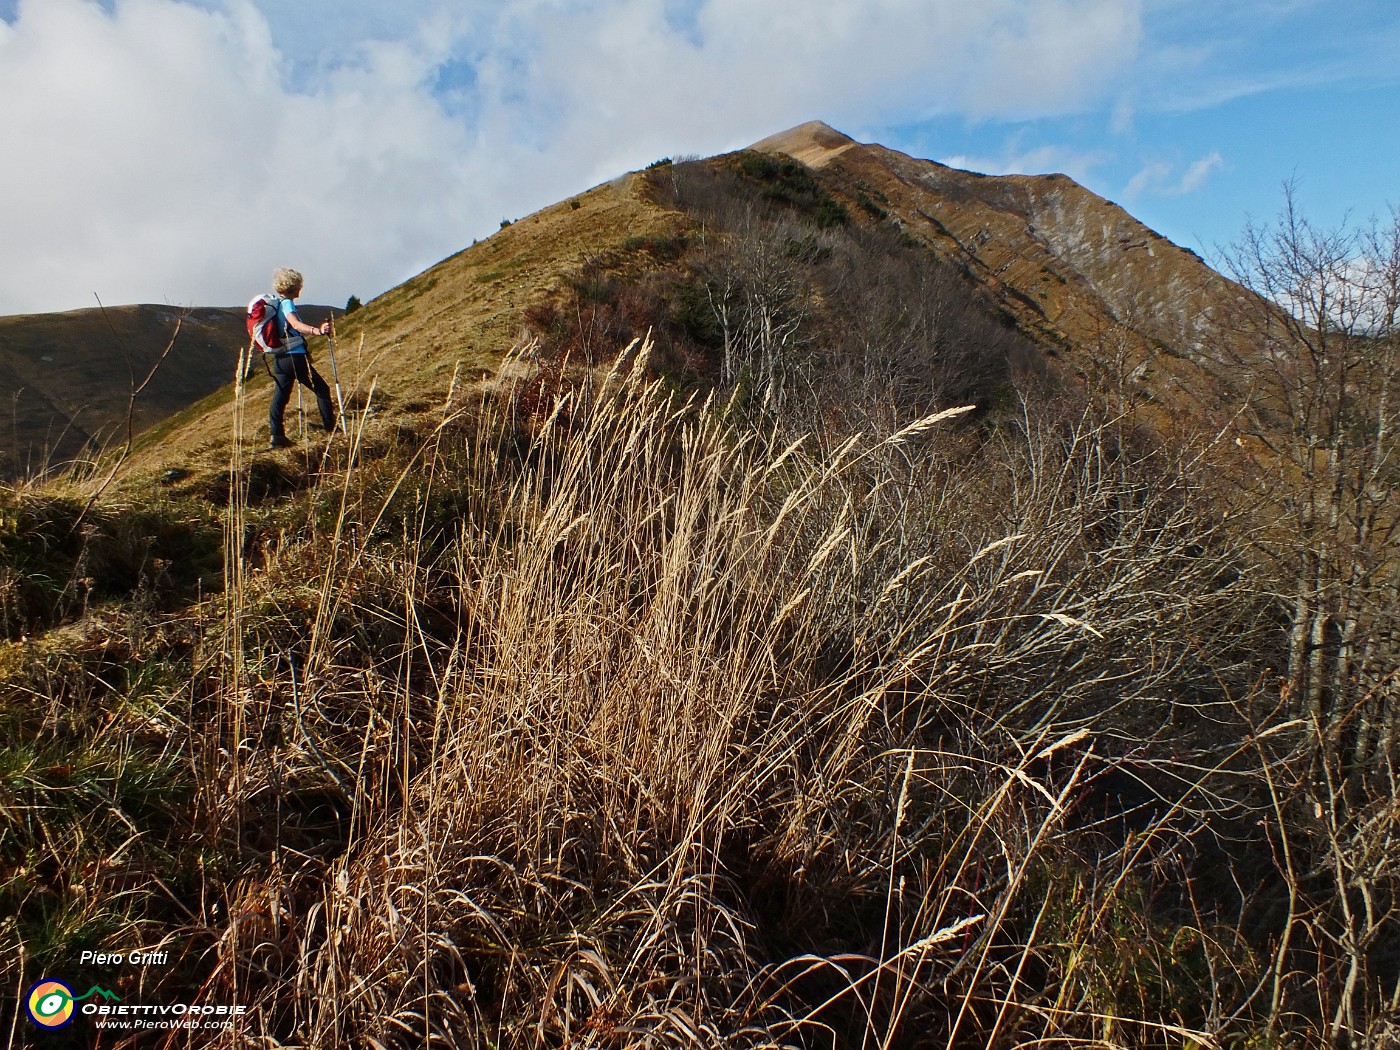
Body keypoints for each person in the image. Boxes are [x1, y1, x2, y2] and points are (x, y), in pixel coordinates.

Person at [266, 267, 336, 448]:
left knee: (280, 397)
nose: (300, 289)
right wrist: (317, 331)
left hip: (280, 359)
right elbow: (295, 324)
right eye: (299, 285)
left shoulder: (274, 305)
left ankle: (276, 436)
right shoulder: (286, 304)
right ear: (293, 286)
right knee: (322, 390)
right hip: (295, 357)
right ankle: (331, 430)